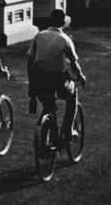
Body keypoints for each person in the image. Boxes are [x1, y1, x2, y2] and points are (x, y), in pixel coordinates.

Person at [27, 8, 87, 147]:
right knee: (73, 96)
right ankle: (68, 130)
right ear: (62, 22)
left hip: (39, 78)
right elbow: (73, 63)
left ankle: (43, 137)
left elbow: (30, 60)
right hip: (58, 80)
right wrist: (81, 76)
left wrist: (32, 87)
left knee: (48, 106)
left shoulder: (39, 36)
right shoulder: (65, 39)